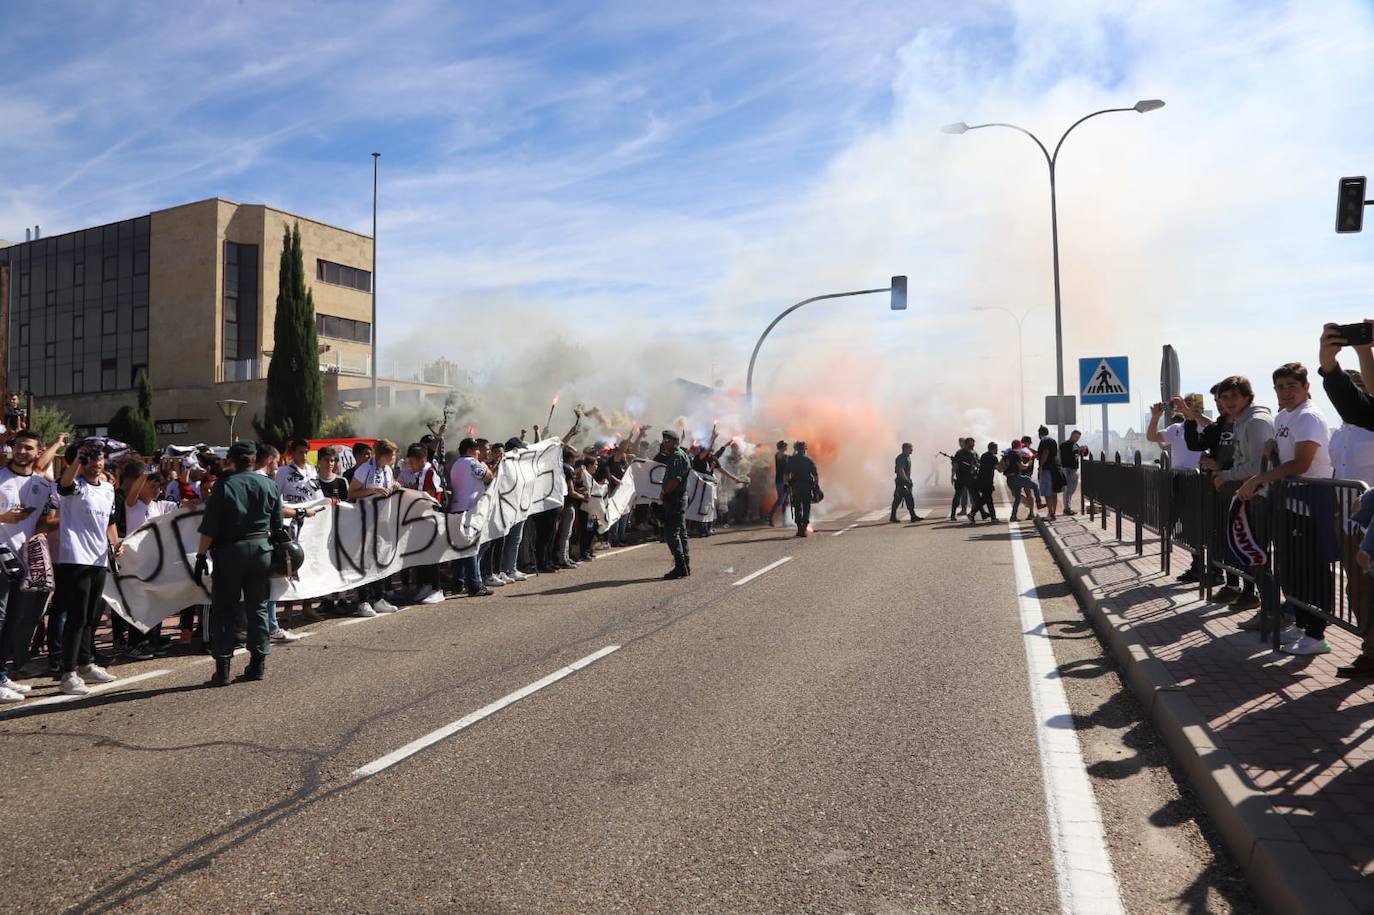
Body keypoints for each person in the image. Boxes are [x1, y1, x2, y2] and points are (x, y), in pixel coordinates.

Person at [1236, 363, 1333, 656]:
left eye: (1292, 386)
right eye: (1280, 387)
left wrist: (1260, 478)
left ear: (1306, 387)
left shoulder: (1310, 417)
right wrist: (1271, 447)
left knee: (1312, 568)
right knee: (1292, 568)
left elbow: (1302, 464)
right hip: (1290, 499)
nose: (1286, 392)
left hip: (1311, 499)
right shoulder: (1283, 417)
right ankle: (1302, 623)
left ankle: (1316, 634)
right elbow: (1285, 452)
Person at [195, 441, 284, 687]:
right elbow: (278, 526)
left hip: (229, 552)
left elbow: (209, 528)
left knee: (224, 610)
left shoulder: (224, 487)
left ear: (231, 460)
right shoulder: (269, 485)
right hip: (261, 551)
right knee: (258, 608)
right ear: (254, 460)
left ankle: (222, 669)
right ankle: (258, 663)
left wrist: (201, 557)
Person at [54, 438, 123, 696]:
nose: (96, 463)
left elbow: (109, 522)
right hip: (75, 559)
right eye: (90, 459)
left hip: (98, 559)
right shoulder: (75, 486)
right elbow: (64, 484)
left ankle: (85, 664)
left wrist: (115, 544)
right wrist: (76, 460)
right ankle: (67, 673)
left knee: (92, 616)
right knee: (76, 616)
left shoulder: (107, 488)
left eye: (100, 458)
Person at [0, 430, 57, 702]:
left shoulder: (42, 485)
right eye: (18, 446)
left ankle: (2, 674)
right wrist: (3, 517)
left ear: (38, 451)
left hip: (23, 560)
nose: (22, 452)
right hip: (0, 556)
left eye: (28, 448)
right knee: (0, 619)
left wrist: (42, 530)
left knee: (13, 619)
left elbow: (45, 517)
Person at [448, 437, 494, 597]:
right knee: (471, 548)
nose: (478, 452)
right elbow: (488, 477)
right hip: (469, 509)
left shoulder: (456, 464)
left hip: (457, 508)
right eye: (476, 449)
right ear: (468, 450)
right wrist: (487, 469)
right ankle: (474, 584)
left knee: (462, 549)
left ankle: (457, 582)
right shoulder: (472, 463)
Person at [658, 429, 693, 577]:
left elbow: (675, 480)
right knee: (681, 532)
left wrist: (665, 491)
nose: (665, 443)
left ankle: (680, 566)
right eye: (664, 440)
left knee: (671, 533)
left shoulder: (677, 457)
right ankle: (685, 565)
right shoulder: (675, 455)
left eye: (668, 441)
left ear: (676, 442)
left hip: (675, 498)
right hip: (677, 497)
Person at [1147, 395, 1206, 472]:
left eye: (1190, 405)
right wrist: (1155, 417)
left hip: (1199, 478)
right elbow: (1152, 437)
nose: (1186, 407)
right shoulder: (1176, 428)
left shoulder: (1206, 426)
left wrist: (1187, 410)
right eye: (1185, 404)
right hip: (1178, 477)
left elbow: (1209, 425)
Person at [786, 440, 818, 537]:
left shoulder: (791, 460)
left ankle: (800, 528)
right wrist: (816, 486)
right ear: (804, 449)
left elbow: (786, 475)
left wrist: (788, 485)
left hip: (795, 487)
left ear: (795, 449)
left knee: (797, 507)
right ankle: (804, 528)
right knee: (806, 507)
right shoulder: (809, 460)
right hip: (807, 487)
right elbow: (815, 475)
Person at [1034, 426, 1065, 521]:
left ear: (1039, 434)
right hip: (1055, 469)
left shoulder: (1044, 441)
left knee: (1048, 493)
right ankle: (1053, 513)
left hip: (1047, 469)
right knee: (1054, 492)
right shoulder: (1052, 441)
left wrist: (1041, 466)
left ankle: (1051, 514)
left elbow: (1046, 453)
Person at [948, 438, 978, 521]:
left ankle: (972, 514)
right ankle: (953, 514)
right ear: (967, 444)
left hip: (971, 478)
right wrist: (953, 475)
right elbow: (955, 465)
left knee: (975, 497)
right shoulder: (959, 453)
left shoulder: (974, 453)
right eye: (971, 444)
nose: (973, 445)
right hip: (961, 478)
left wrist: (976, 467)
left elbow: (977, 463)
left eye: (973, 444)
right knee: (957, 497)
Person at [971, 441, 1000, 523]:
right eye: (996, 448)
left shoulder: (984, 455)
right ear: (994, 449)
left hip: (981, 480)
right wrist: (1005, 463)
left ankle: (991, 516)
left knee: (986, 499)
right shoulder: (994, 457)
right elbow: (999, 469)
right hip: (987, 481)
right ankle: (973, 513)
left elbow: (980, 465)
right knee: (986, 499)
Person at [1060, 430, 1085, 515]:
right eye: (1076, 437)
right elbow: (1067, 455)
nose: (1077, 439)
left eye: (1078, 438)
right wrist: (1078, 451)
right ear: (1072, 435)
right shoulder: (1064, 445)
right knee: (1068, 489)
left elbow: (1082, 454)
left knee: (1072, 489)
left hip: (1074, 469)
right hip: (1067, 468)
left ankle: (1068, 507)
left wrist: (1084, 450)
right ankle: (1067, 508)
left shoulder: (1076, 445)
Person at [890, 442, 917, 523]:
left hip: (905, 481)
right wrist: (906, 480)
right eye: (910, 448)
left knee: (909, 499)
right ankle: (893, 516)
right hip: (901, 482)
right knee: (898, 499)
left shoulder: (907, 457)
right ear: (905, 449)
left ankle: (913, 516)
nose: (912, 450)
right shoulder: (901, 458)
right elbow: (900, 470)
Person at [767, 441, 790, 527]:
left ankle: (785, 521)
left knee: (785, 501)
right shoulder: (779, 455)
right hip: (781, 481)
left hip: (784, 481)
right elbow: (786, 460)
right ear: (782, 447)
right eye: (785, 446)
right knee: (781, 500)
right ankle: (769, 516)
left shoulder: (783, 456)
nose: (786, 447)